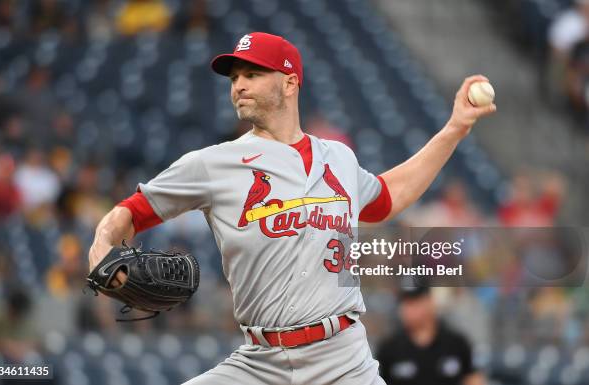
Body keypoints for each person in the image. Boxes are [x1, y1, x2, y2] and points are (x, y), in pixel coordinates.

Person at [88, 32, 496, 384]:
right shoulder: (212, 164)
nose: (238, 86)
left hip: (343, 361)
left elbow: (389, 197)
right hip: (259, 361)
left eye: (252, 74)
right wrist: (102, 248)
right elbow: (132, 211)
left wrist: (455, 127)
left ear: (289, 82)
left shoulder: (339, 158)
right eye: (234, 78)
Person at [376, 285, 486, 385]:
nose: (408, 309)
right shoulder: (389, 348)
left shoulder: (456, 343)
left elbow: (474, 378)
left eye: (415, 302)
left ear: (430, 301)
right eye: (405, 303)